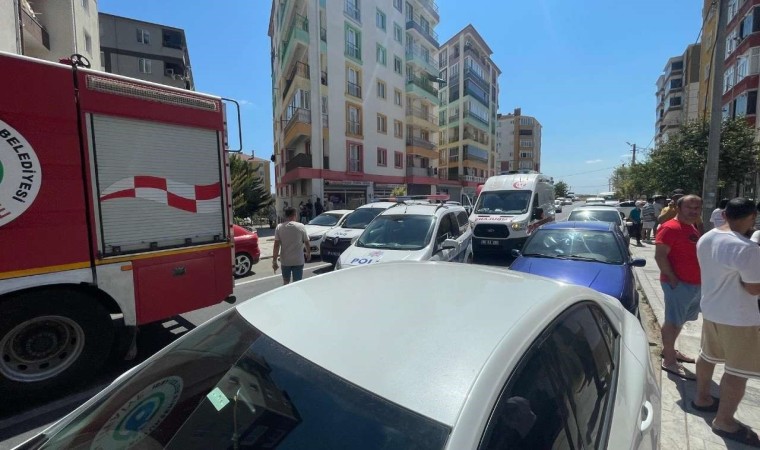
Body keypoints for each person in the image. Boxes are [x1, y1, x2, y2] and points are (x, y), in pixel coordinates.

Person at [693, 198, 760, 446]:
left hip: (712, 310)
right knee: (737, 372)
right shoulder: (747, 248)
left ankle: (702, 398)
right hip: (739, 318)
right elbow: (753, 288)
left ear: (725, 214)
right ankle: (724, 421)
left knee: (707, 356)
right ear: (752, 217)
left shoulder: (706, 237)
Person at [655, 194, 703, 379]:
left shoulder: (691, 226)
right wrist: (673, 278)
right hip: (678, 284)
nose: (693, 211)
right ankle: (669, 361)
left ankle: (670, 350)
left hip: (693, 283)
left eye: (697, 208)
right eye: (689, 207)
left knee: (679, 320)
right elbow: (660, 256)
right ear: (678, 208)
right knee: (673, 321)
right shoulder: (670, 228)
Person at [272, 206, 311, 285]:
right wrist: (308, 253)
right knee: (297, 283)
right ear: (295, 215)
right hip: (298, 260)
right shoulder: (301, 226)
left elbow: (276, 245)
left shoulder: (279, 227)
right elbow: (306, 242)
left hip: (285, 261)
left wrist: (274, 261)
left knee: (286, 282)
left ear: (285, 215)